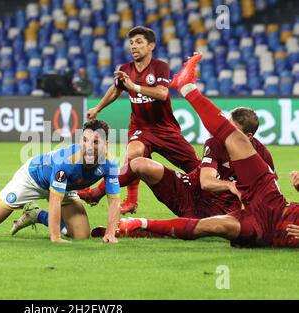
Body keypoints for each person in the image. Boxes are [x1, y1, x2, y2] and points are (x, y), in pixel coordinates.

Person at [120, 52, 299, 248]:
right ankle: (187, 87)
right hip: (272, 203)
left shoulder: (261, 151)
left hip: (260, 230)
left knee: (209, 227)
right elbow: (207, 181)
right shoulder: (217, 144)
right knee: (235, 140)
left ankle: (140, 225)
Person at [79, 26, 200, 214]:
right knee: (134, 153)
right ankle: (129, 200)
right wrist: (98, 108)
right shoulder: (125, 69)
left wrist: (134, 86)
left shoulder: (160, 67)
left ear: (151, 45)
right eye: (131, 43)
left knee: (196, 167)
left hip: (165, 130)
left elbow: (161, 93)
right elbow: (116, 88)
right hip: (140, 129)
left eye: (139, 42)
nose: (134, 46)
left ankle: (210, 198)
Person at [0, 120, 121, 244]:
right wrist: (55, 237)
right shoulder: (67, 161)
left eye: (96, 142)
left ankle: (36, 214)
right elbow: (54, 199)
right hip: (33, 179)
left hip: (65, 187)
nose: (89, 147)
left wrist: (111, 233)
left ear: (106, 144)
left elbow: (114, 201)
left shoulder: (110, 163)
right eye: (85, 141)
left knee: (81, 235)